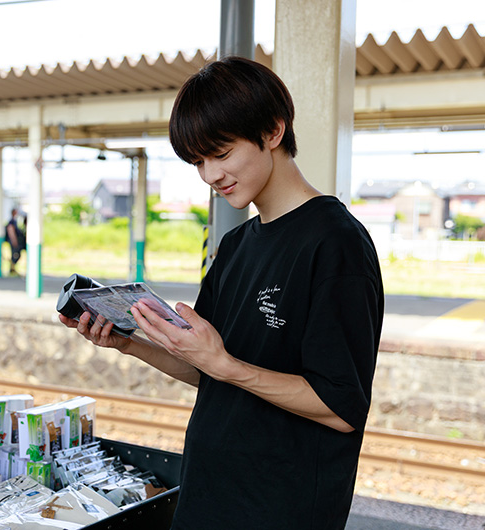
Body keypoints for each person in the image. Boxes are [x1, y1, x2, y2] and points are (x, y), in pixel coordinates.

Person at [59, 57, 383, 529]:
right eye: (198, 161)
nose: (210, 174)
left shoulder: (336, 243)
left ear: (273, 131)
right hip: (207, 497)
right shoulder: (235, 245)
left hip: (279, 512)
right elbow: (207, 371)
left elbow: (340, 408)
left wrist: (225, 364)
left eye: (221, 153)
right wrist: (129, 342)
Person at [5, 208, 25, 275]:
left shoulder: (15, 221)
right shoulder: (11, 222)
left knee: (16, 255)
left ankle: (13, 269)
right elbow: (11, 231)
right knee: (15, 255)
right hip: (13, 241)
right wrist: (14, 241)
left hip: (15, 241)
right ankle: (12, 269)